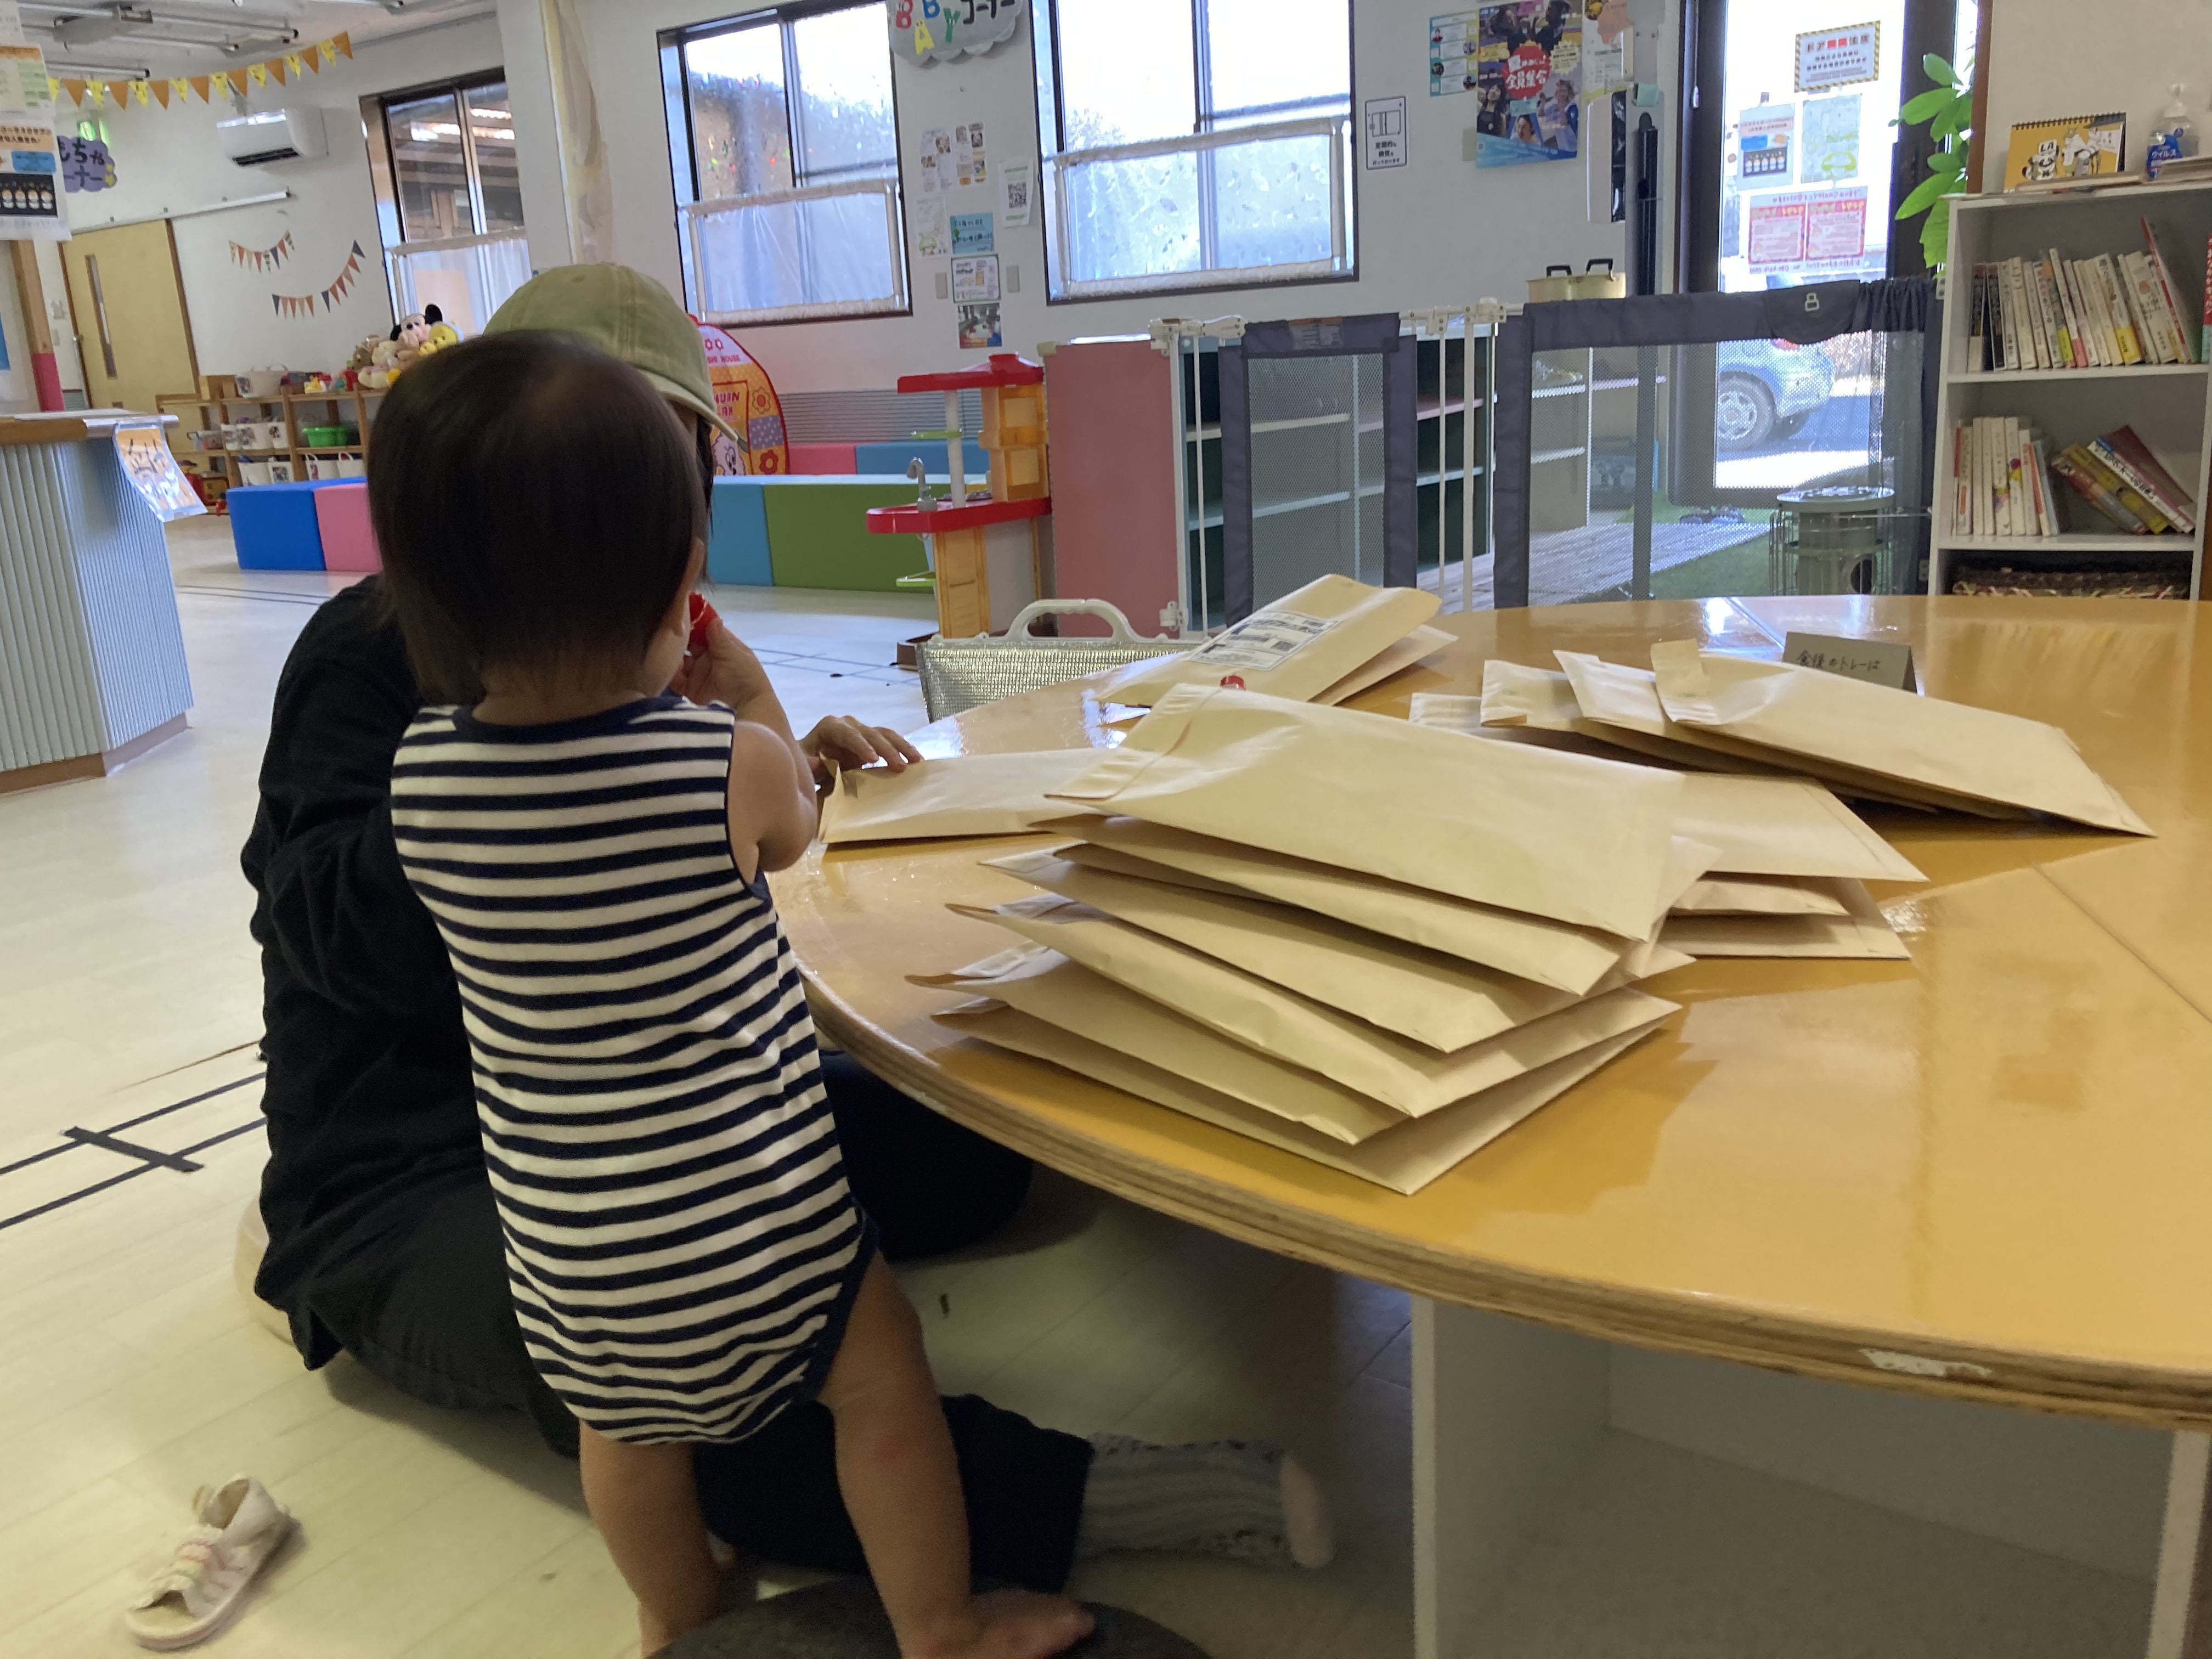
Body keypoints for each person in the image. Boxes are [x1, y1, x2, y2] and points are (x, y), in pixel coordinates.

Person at [239, 261, 1330, 1614]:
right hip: (428, 1178)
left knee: (968, 1147)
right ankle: (1069, 1501)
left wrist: (739, 763)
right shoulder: (371, 666)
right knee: (656, 1383)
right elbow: (325, 932)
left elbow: (726, 834)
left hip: (664, 1123)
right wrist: (552, 808)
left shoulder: (637, 639)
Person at [373, 331, 1091, 1658]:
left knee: (623, 1439)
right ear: (679, 583)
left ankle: (678, 1611)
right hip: (762, 1239)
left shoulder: (420, 783)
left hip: (573, 1261)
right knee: (880, 1389)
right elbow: (794, 831)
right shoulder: (724, 763)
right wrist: (745, 693)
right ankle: (939, 1624)